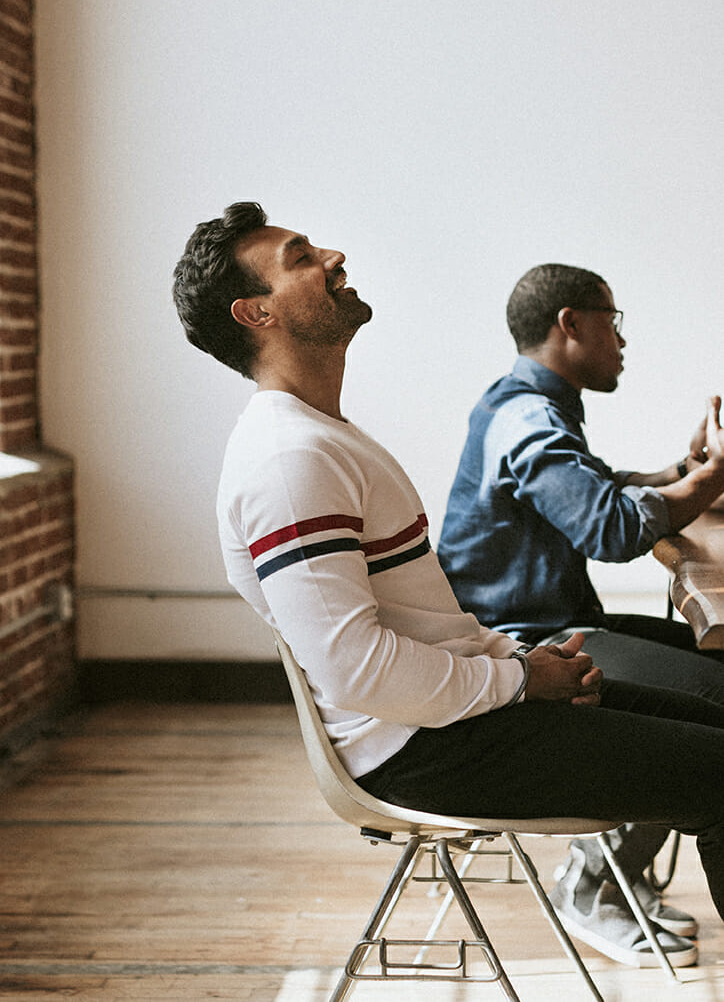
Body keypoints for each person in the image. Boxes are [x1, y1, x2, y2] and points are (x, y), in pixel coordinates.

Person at [172, 206, 724, 972]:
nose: (332, 254)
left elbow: (419, 630)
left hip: (455, 713)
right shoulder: (288, 460)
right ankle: (598, 890)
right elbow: (358, 671)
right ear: (256, 312)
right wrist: (522, 677)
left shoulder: (320, 436)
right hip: (424, 746)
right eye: (300, 256)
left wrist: (521, 667)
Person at [438, 261, 724, 965]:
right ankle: (593, 883)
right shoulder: (528, 415)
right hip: (525, 643)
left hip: (548, 620)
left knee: (713, 664)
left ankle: (613, 872)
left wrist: (676, 473)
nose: (621, 340)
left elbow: (593, 487)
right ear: (570, 323)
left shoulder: (527, 402)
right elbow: (611, 529)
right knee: (711, 695)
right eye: (612, 320)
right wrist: (712, 477)